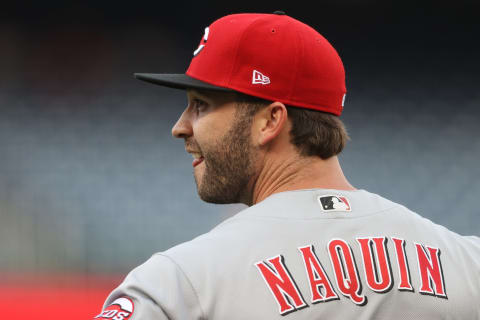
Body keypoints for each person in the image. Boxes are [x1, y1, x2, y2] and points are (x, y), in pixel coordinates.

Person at [94, 12, 480, 319]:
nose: (180, 127)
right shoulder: (468, 264)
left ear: (269, 121)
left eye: (201, 105)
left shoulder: (184, 284)